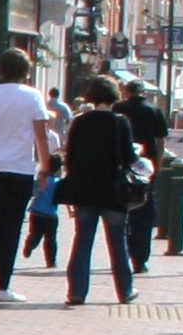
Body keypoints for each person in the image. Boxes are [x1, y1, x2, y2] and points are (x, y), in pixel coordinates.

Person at [0, 47, 57, 305]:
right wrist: (45, 168)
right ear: (26, 70)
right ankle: (2, 284)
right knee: (12, 225)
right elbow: (41, 135)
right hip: (19, 168)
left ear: (1, 69)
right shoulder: (33, 96)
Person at [58, 77, 142, 305]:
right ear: (114, 95)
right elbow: (128, 157)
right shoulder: (120, 122)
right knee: (117, 243)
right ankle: (125, 290)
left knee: (83, 241)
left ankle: (76, 292)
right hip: (113, 190)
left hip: (85, 190)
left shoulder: (80, 122)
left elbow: (70, 157)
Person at [119, 77, 170, 269]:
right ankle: (141, 258)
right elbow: (161, 141)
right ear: (143, 92)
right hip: (147, 167)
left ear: (127, 91)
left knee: (123, 212)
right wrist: (158, 163)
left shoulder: (119, 109)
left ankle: (125, 252)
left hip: (123, 165)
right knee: (145, 212)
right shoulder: (154, 111)